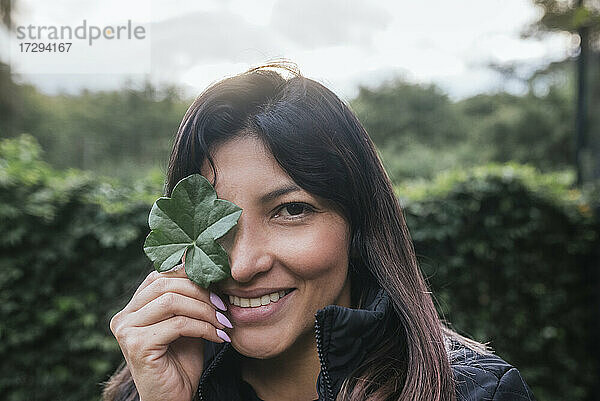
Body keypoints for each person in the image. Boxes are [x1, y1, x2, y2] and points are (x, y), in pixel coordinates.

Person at [103, 64, 535, 401]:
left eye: (291, 210)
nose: (241, 263)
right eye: (218, 221)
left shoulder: (475, 394)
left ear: (358, 224)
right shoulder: (145, 386)